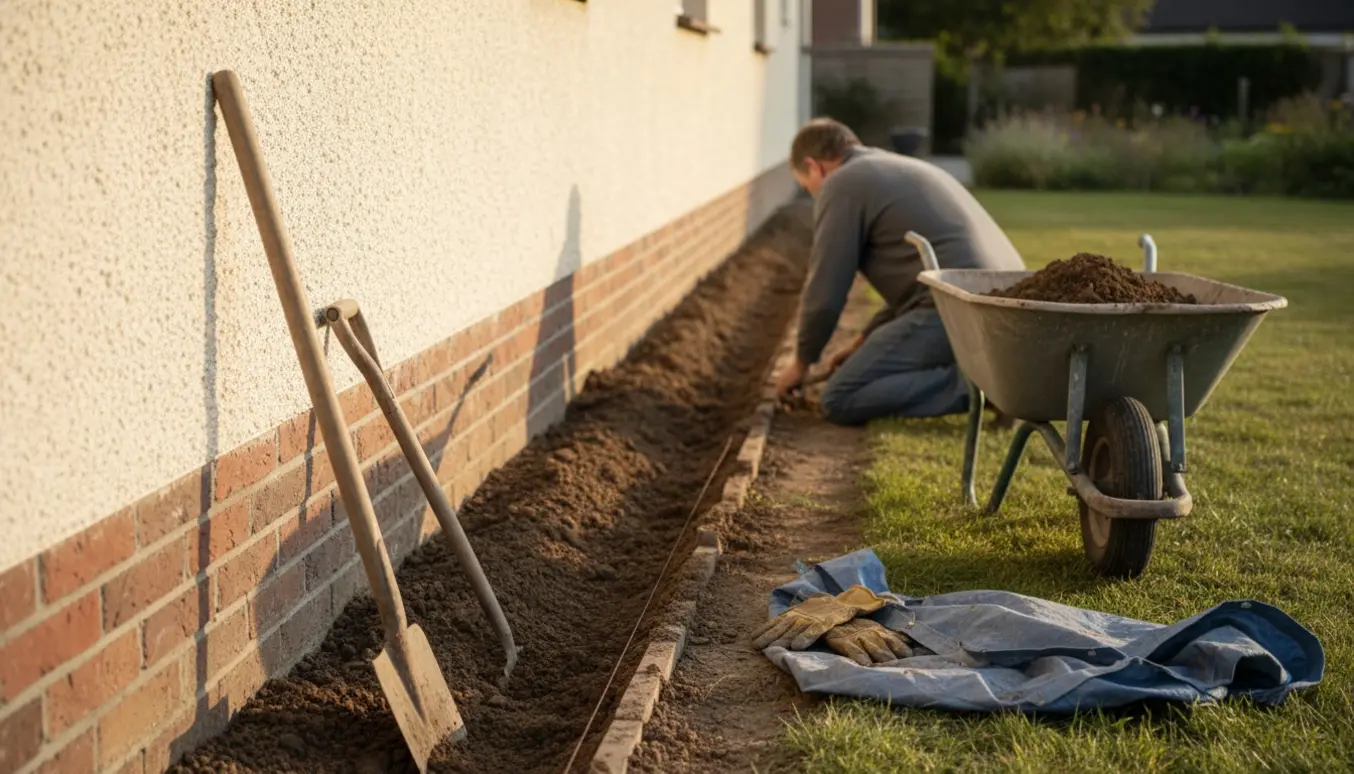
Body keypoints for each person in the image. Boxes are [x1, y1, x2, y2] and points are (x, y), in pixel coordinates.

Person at [774, 118, 1026, 425]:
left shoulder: (841, 183)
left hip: (958, 305)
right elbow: (912, 287)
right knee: (858, 377)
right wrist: (864, 339)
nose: (815, 195)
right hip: (1001, 300)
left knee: (840, 396)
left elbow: (825, 293)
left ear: (814, 167)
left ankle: (986, 387)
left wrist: (802, 362)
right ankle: (992, 378)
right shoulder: (894, 167)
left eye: (807, 187)